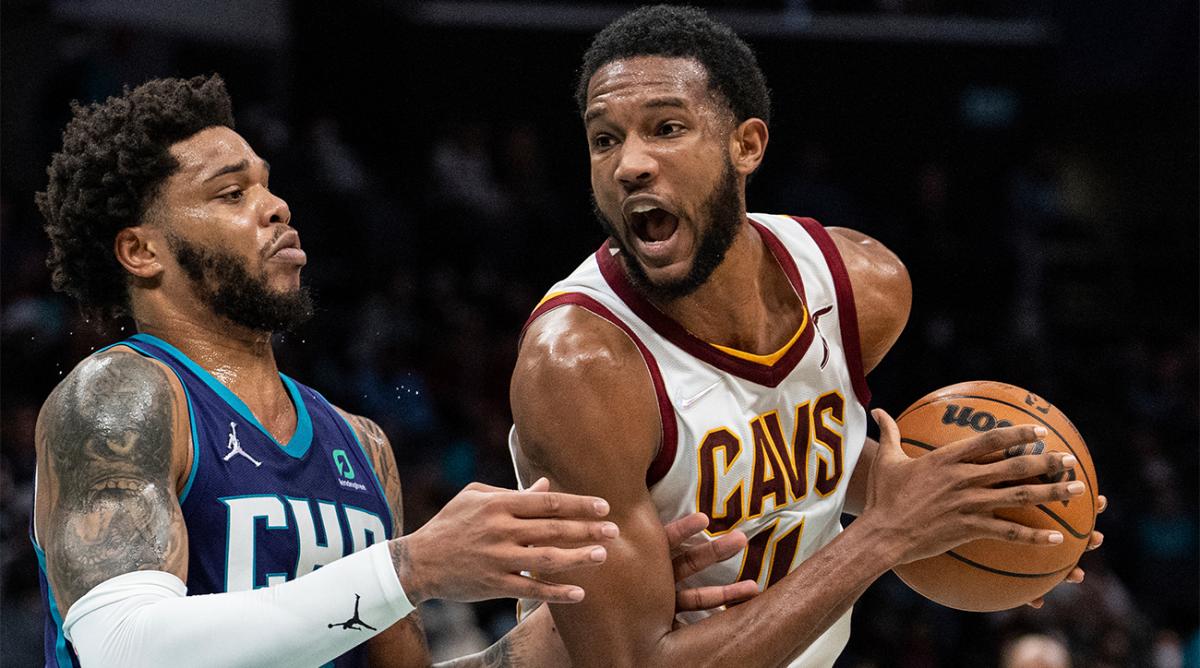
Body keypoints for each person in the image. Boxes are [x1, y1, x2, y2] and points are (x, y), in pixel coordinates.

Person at [32, 74, 752, 668]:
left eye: (265, 185)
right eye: (231, 193)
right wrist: (412, 567)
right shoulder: (121, 397)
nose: (276, 206)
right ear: (140, 252)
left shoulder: (359, 444)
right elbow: (123, 649)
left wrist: (583, 619)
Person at [508, 5, 1106, 667]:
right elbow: (630, 665)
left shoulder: (863, 288)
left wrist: (999, 509)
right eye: (604, 139)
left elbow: (799, 465)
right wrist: (883, 535)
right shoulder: (579, 365)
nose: (629, 164)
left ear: (747, 145)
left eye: (666, 128)